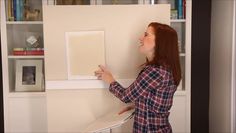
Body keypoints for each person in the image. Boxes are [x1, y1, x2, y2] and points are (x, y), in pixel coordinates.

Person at [95, 22, 181, 133]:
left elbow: (125, 96)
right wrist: (138, 106)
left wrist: (109, 79)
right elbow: (156, 102)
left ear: (160, 42)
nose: (140, 38)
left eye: (146, 35)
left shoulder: (155, 71)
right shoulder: (164, 68)